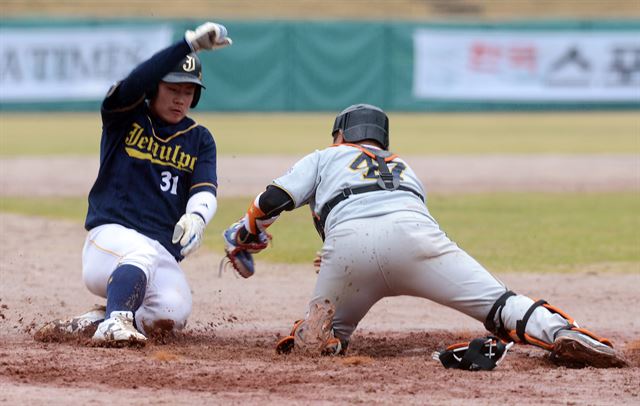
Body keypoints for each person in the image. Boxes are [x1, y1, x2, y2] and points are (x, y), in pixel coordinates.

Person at [221, 104, 628, 368]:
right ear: (383, 141)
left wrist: (248, 231)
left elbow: (272, 199)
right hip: (417, 241)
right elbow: (405, 218)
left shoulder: (328, 155)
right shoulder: (405, 167)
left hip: (346, 253)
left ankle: (325, 338)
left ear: (339, 136)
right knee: (500, 304)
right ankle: (562, 333)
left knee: (325, 337)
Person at [36, 22, 232, 346]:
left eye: (188, 91)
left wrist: (197, 217)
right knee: (139, 251)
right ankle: (115, 322)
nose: (180, 99)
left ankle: (97, 318)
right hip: (109, 241)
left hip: (161, 252)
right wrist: (187, 45)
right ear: (154, 88)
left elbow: (204, 190)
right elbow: (135, 81)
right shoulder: (124, 116)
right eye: (172, 89)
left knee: (173, 311)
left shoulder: (199, 139)